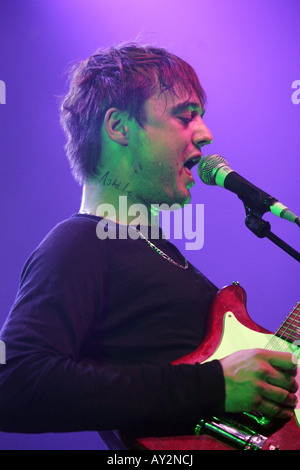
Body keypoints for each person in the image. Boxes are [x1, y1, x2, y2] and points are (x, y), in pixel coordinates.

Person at [0, 42, 297, 449]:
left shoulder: (159, 252)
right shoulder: (78, 242)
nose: (206, 135)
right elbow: (13, 381)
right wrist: (215, 386)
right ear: (119, 128)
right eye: (184, 116)